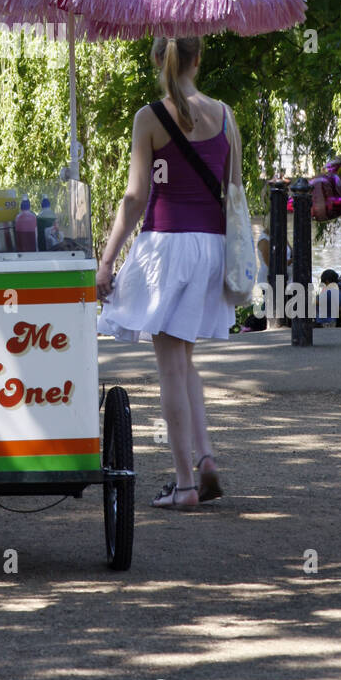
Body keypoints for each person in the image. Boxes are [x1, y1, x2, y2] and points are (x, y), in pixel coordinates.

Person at [96, 35, 242, 511]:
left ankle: (183, 486)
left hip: (167, 246)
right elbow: (235, 192)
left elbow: (136, 198)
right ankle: (205, 459)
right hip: (212, 246)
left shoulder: (149, 118)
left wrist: (107, 260)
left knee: (170, 368)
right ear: (199, 59)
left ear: (158, 59)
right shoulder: (225, 116)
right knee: (186, 361)